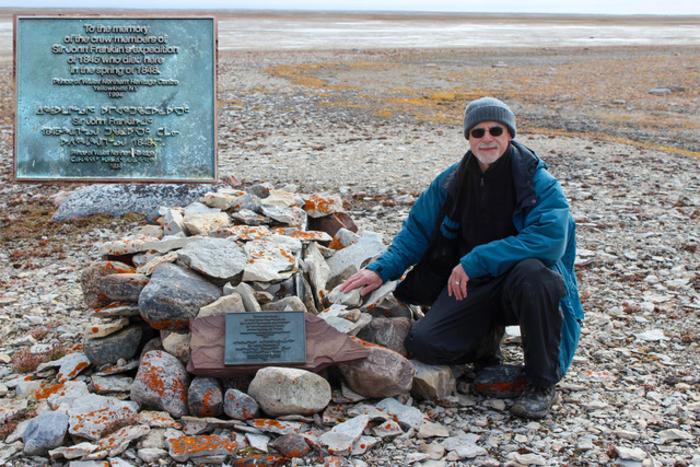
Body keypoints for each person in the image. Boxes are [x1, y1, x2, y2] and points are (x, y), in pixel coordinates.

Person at [340, 97, 583, 419]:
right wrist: (381, 270)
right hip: (470, 285)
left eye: (495, 130)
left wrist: (476, 259)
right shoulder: (450, 182)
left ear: (509, 134)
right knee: (426, 344)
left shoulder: (538, 181)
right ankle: (485, 343)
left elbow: (549, 241)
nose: (487, 138)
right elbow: (416, 233)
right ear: (468, 138)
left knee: (536, 277)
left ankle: (540, 383)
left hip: (520, 284)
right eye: (477, 132)